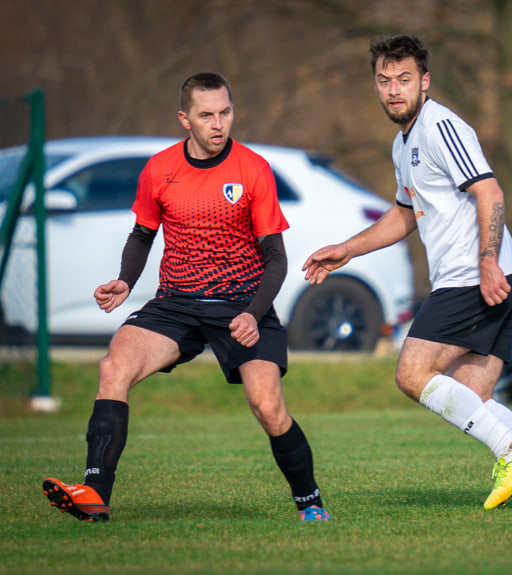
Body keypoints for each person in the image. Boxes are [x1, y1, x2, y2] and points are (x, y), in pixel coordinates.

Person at [303, 34, 512, 511]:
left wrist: (487, 262)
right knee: (473, 395)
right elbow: (405, 215)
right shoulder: (403, 143)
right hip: (491, 277)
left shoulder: (441, 126)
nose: (394, 90)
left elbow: (490, 192)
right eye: (384, 81)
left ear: (425, 82)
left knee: (412, 374)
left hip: (475, 278)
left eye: (404, 79)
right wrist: (347, 250)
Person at [42, 72, 330, 522]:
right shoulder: (159, 168)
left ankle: (310, 502)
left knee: (268, 407)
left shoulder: (253, 169)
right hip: (176, 302)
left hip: (242, 302)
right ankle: (95, 495)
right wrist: (125, 279)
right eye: (207, 115)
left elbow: (276, 258)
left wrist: (254, 314)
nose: (218, 124)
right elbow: (141, 235)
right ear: (185, 119)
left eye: (225, 112)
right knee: (112, 368)